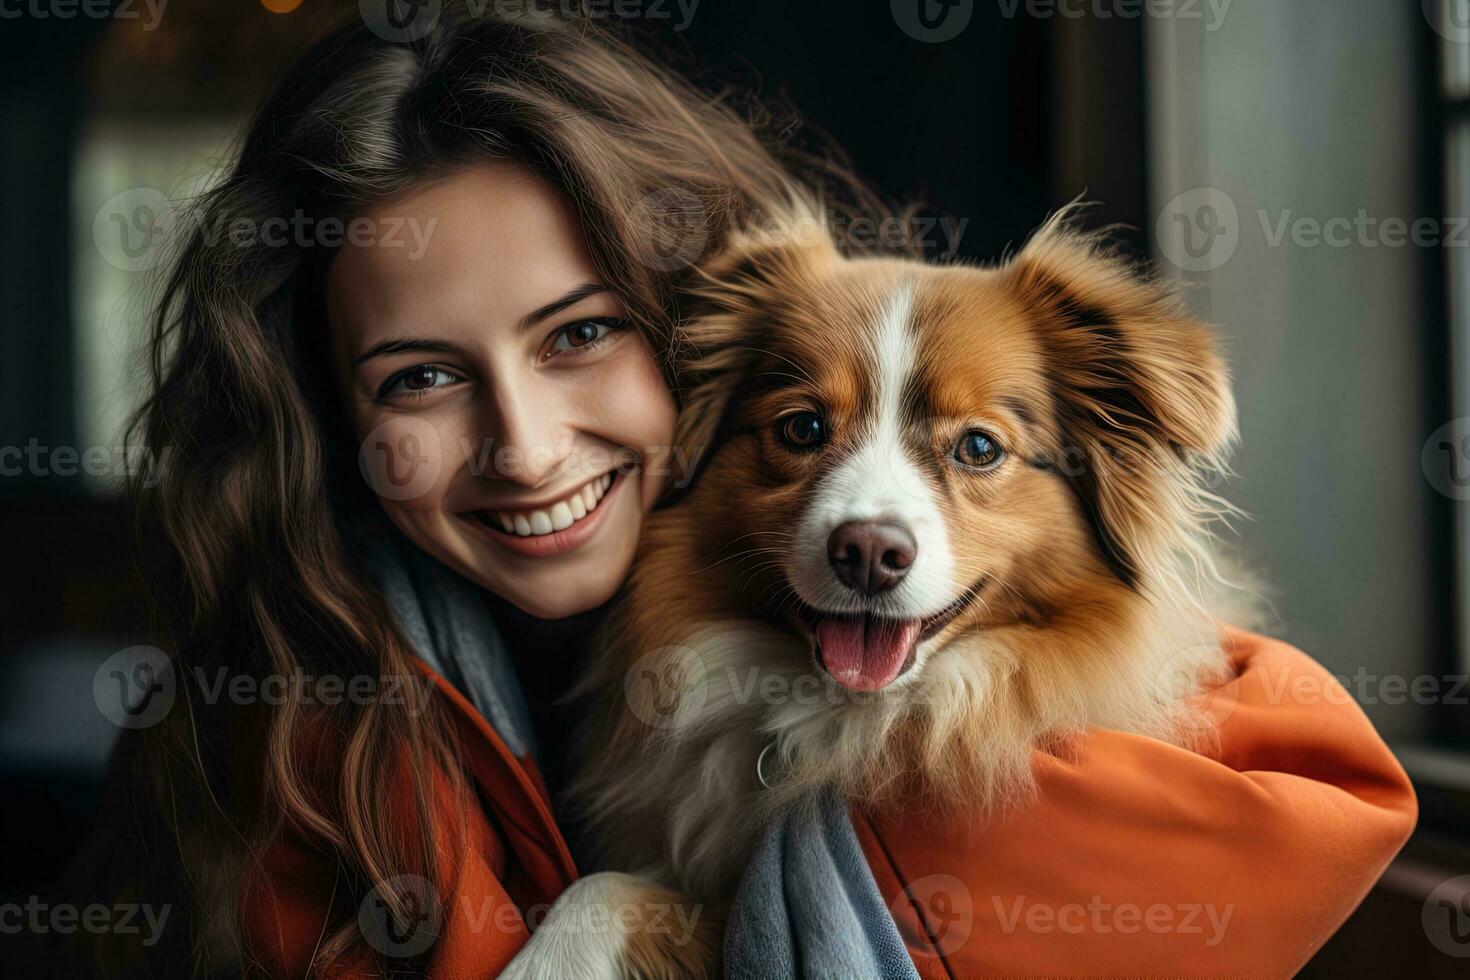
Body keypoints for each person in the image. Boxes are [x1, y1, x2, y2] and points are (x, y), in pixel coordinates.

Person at [64, 7, 1414, 978]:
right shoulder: (304, 752)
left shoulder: (1183, 730)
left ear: (672, 334)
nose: (526, 449)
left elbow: (1292, 808)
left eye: (579, 332)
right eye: (420, 376)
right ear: (326, 417)